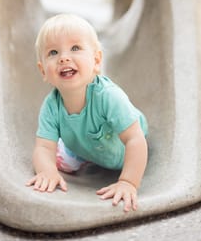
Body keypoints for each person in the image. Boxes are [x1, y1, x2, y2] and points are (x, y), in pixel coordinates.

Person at [26, 13, 148, 212]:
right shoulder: (51, 106)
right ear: (43, 71)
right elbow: (43, 147)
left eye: (75, 48)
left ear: (97, 60)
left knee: (129, 135)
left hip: (123, 149)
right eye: (53, 52)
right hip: (86, 146)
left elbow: (135, 139)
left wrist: (128, 182)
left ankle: (79, 152)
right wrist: (48, 172)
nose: (64, 57)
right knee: (56, 158)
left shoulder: (108, 97)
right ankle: (78, 154)